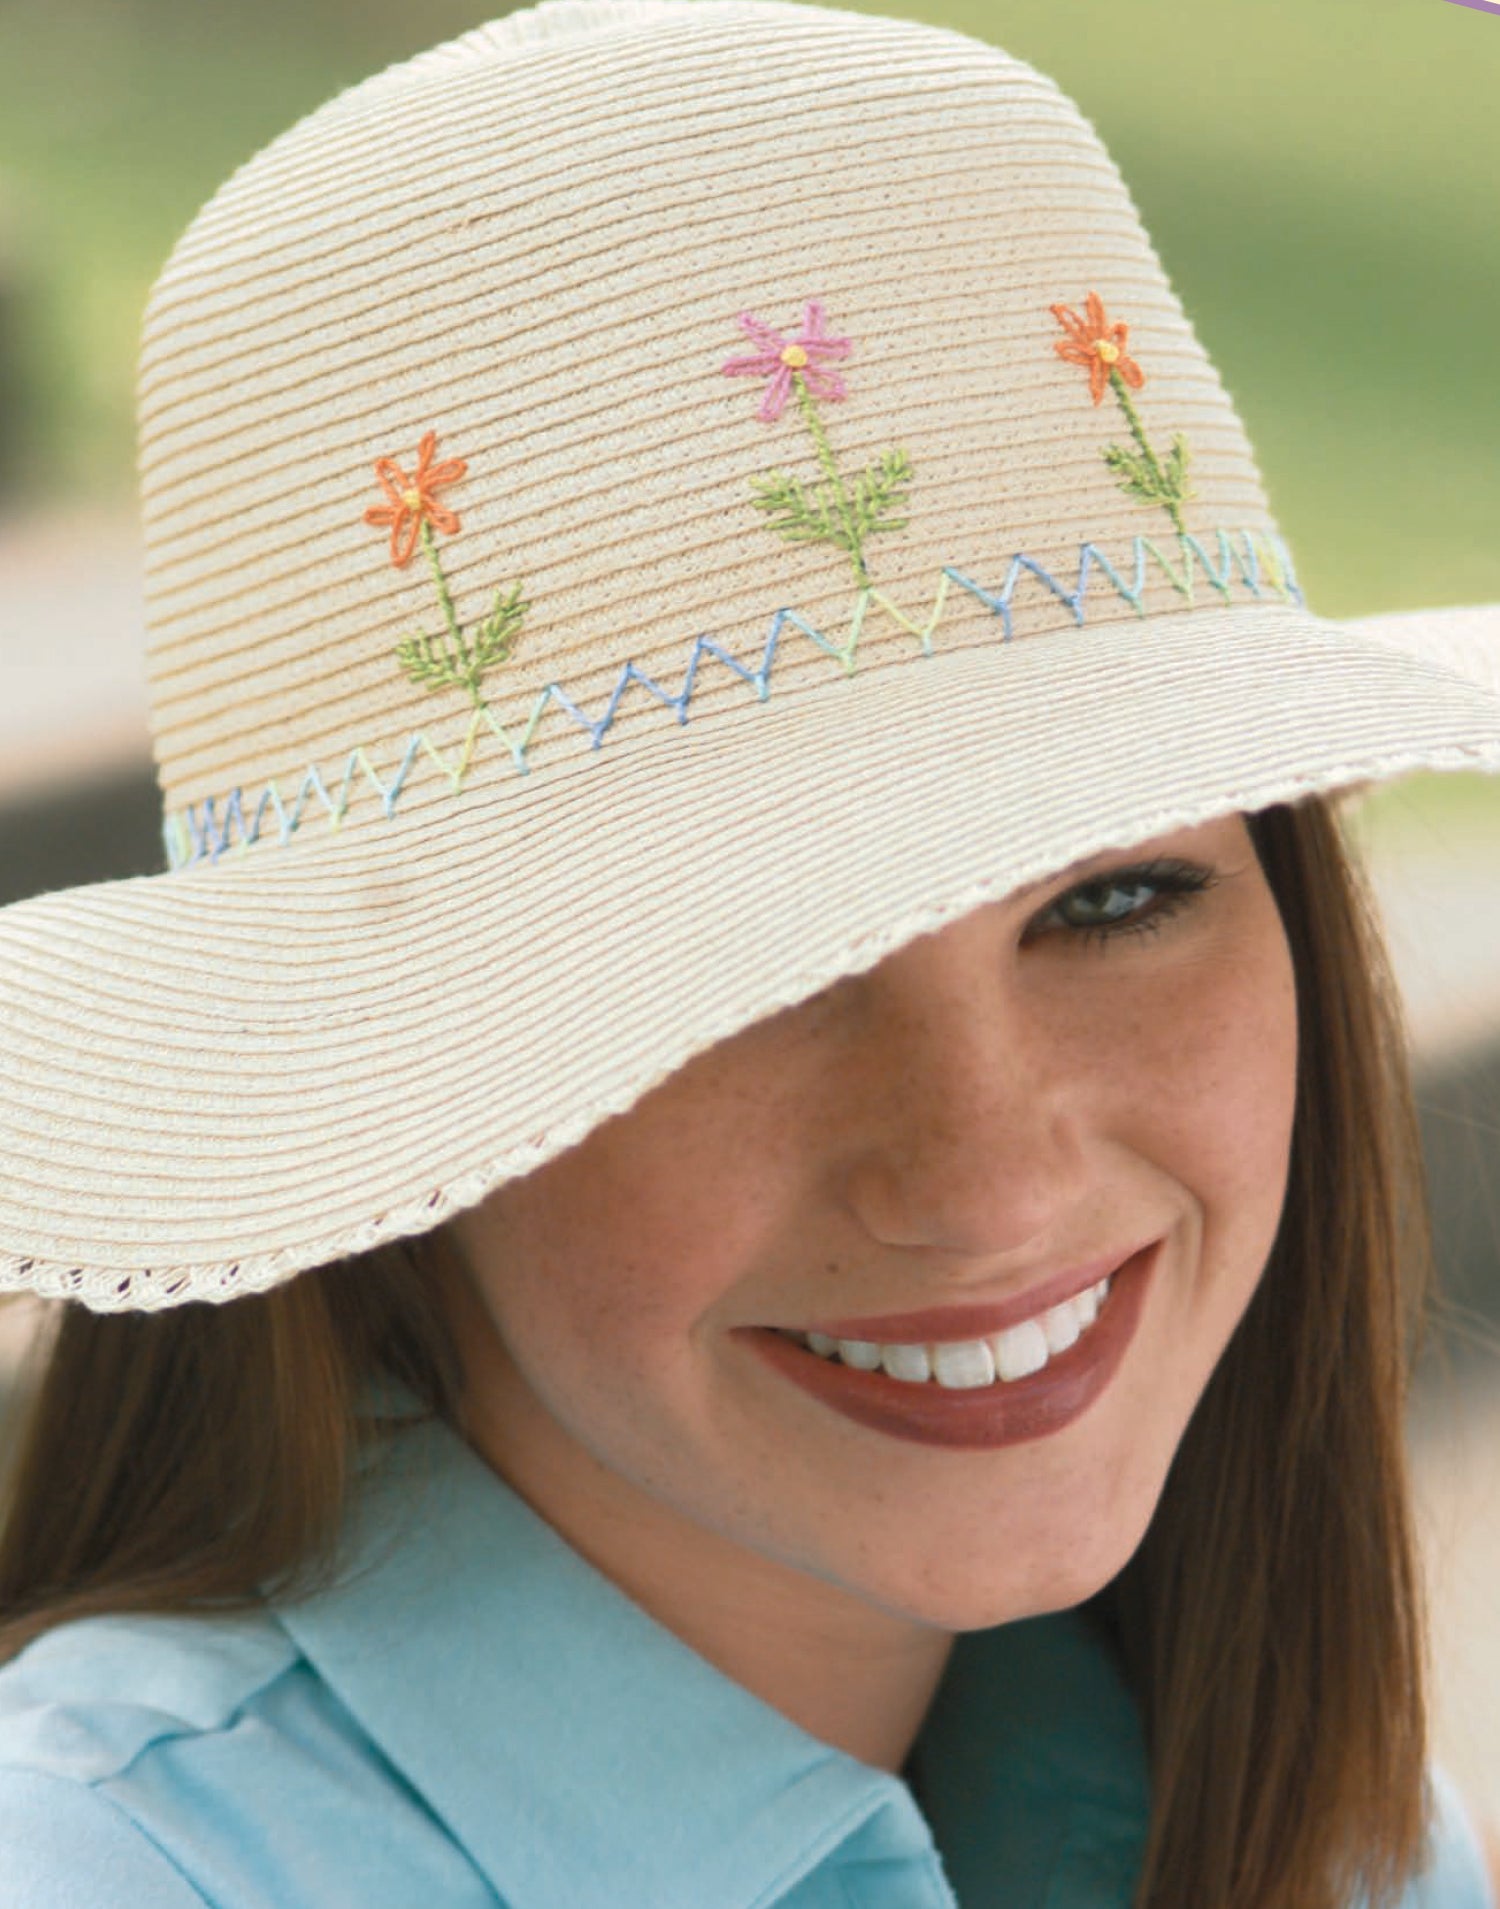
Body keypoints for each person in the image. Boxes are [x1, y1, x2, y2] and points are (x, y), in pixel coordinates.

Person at [0, 0, 1498, 1902]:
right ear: (382, 1093)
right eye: (737, 975)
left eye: (1112, 897)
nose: (984, 1174)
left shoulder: (1303, 1826)